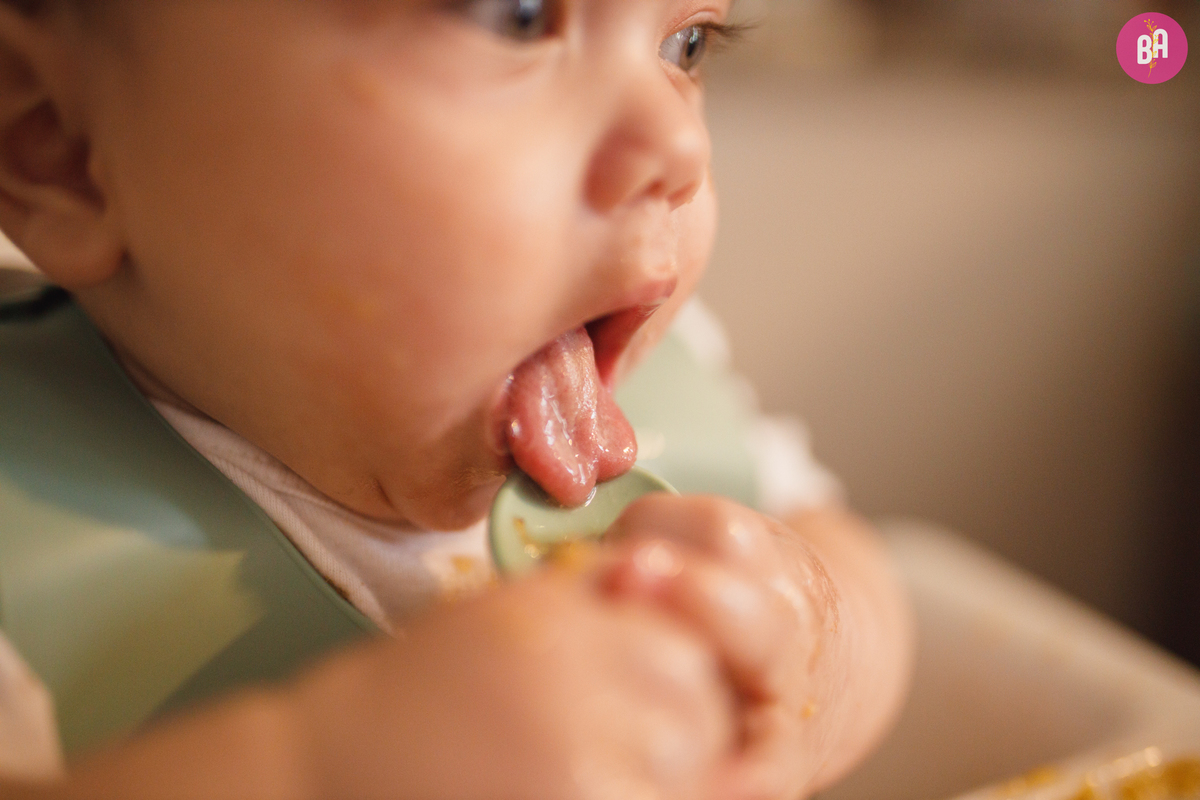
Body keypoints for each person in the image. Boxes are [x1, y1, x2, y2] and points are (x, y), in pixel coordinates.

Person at [0, 0, 914, 797]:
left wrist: (814, 660)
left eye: (686, 46)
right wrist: (320, 772)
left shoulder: (672, 381)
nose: (679, 148)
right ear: (61, 150)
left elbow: (857, 561)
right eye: (515, 14)